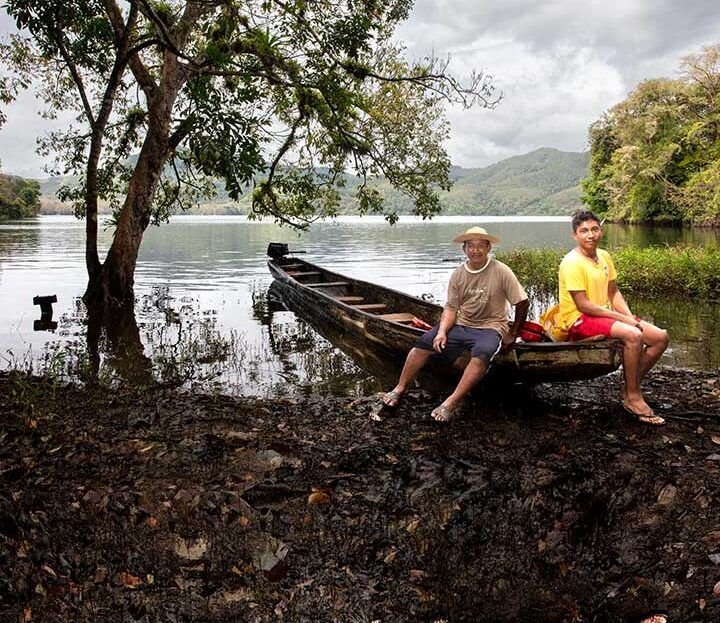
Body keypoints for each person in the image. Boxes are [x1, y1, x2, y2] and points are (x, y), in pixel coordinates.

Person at [381, 226, 529, 422]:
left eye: (480, 246)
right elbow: (451, 308)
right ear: (464, 249)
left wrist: (513, 332)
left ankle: (451, 402)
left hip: (491, 327)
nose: (475, 250)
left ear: (488, 248)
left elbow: (522, 302)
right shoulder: (458, 274)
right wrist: (442, 332)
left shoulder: (501, 271)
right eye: (470, 246)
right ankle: (399, 388)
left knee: (482, 354)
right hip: (462, 324)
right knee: (422, 345)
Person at [557, 210, 669, 425]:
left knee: (660, 338)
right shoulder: (572, 262)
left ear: (601, 230)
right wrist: (626, 322)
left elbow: (613, 293)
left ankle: (628, 387)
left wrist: (629, 316)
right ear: (575, 235)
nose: (590, 235)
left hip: (602, 315)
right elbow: (584, 305)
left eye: (594, 229)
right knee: (633, 336)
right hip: (579, 319)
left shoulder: (605, 256)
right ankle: (633, 398)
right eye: (584, 231)